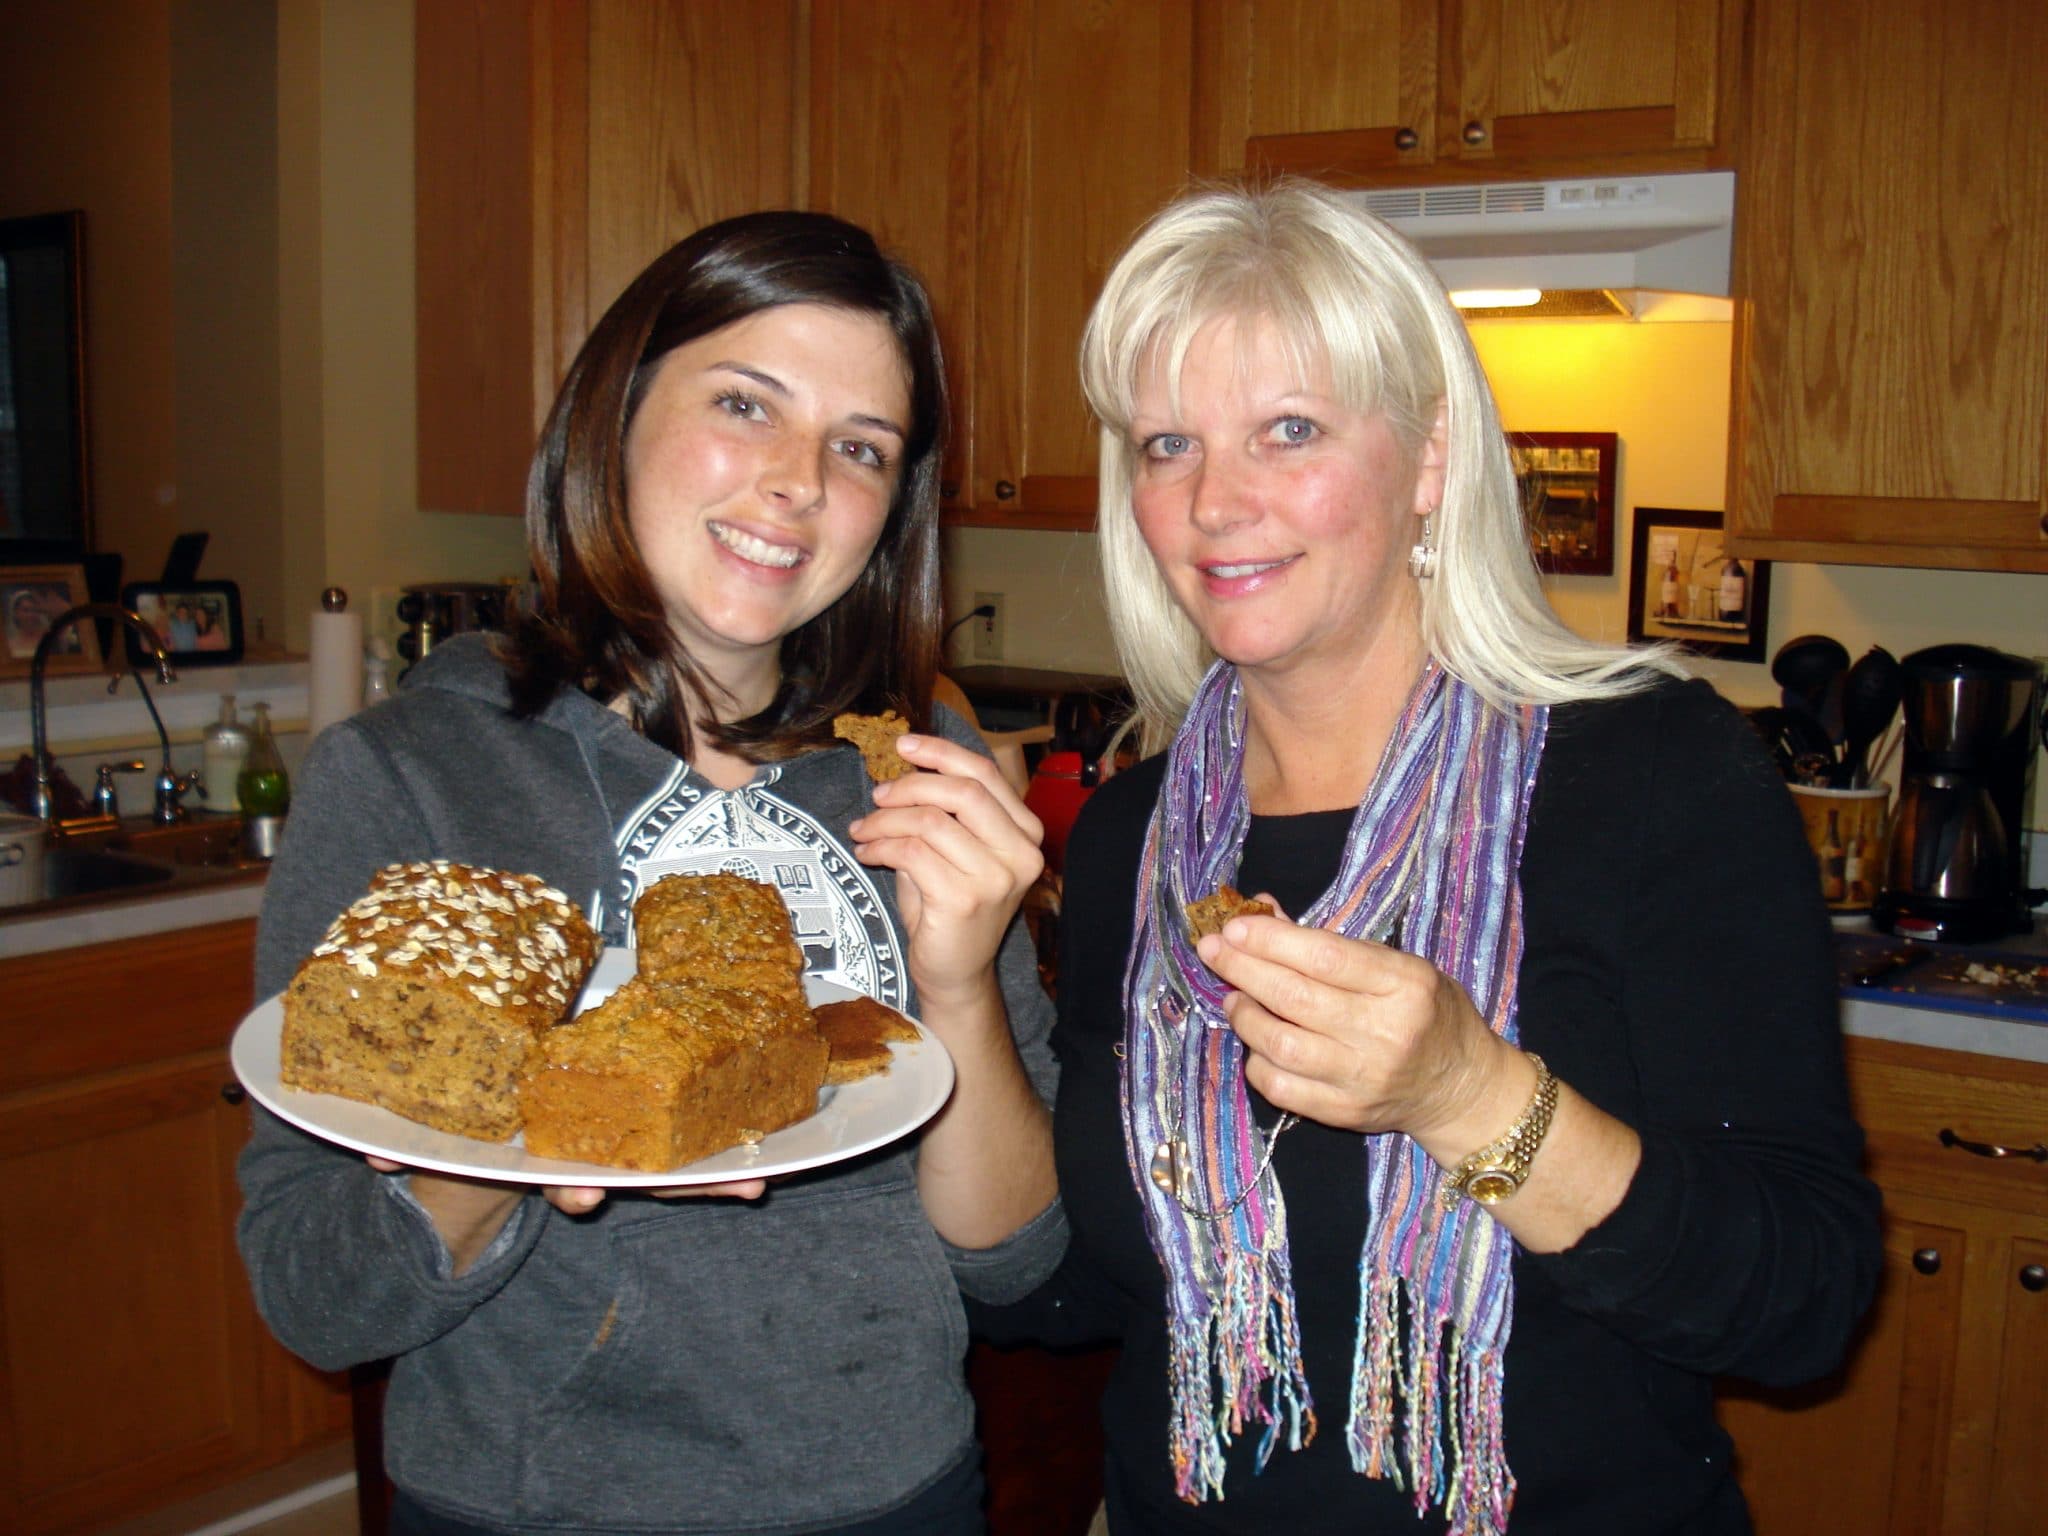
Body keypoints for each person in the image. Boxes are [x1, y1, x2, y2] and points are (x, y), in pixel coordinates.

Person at [971, 181, 1881, 1535]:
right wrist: (949, 986)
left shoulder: (1651, 775)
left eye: (1290, 430)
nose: (1217, 501)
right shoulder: (1135, 838)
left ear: (1433, 459)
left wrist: (1468, 1095)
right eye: (1168, 444)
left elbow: (1803, 1302)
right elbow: (1073, 1297)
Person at [237, 211, 1062, 1536]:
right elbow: (314, 1294)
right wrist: (531, 1135)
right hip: (537, 1507)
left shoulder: (921, 769)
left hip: (897, 1490)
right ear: (612, 415)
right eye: (746, 403)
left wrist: (960, 981)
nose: (799, 480)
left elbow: (1018, 1259)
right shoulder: (415, 779)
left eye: (862, 448)